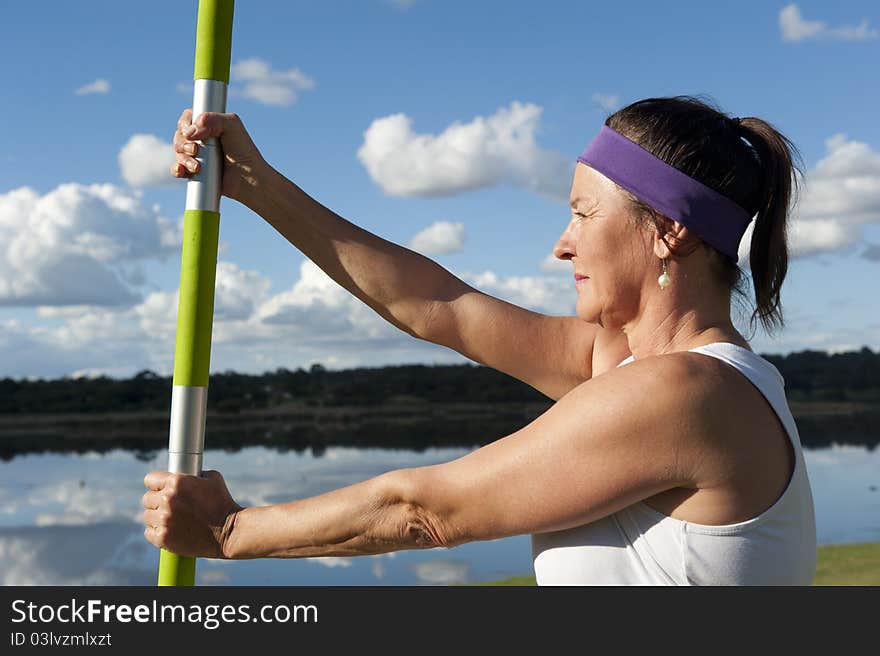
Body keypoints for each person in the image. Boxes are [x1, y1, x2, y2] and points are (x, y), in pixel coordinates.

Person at [142, 95, 817, 585]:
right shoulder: (634, 367)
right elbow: (439, 307)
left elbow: (426, 512)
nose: (563, 243)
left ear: (672, 231)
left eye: (584, 213)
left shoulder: (684, 394)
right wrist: (255, 186)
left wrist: (230, 531)